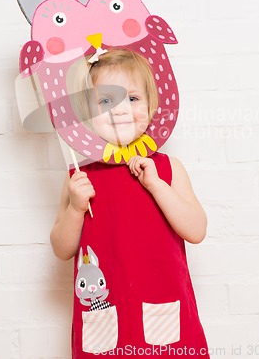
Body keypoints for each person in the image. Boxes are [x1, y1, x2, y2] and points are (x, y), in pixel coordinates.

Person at [50, 49, 210, 358]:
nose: (120, 110)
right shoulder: (79, 176)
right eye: (106, 101)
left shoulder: (167, 168)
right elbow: (61, 248)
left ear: (151, 107)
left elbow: (196, 230)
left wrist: (156, 186)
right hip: (105, 306)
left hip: (161, 302)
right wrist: (74, 208)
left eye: (133, 99)